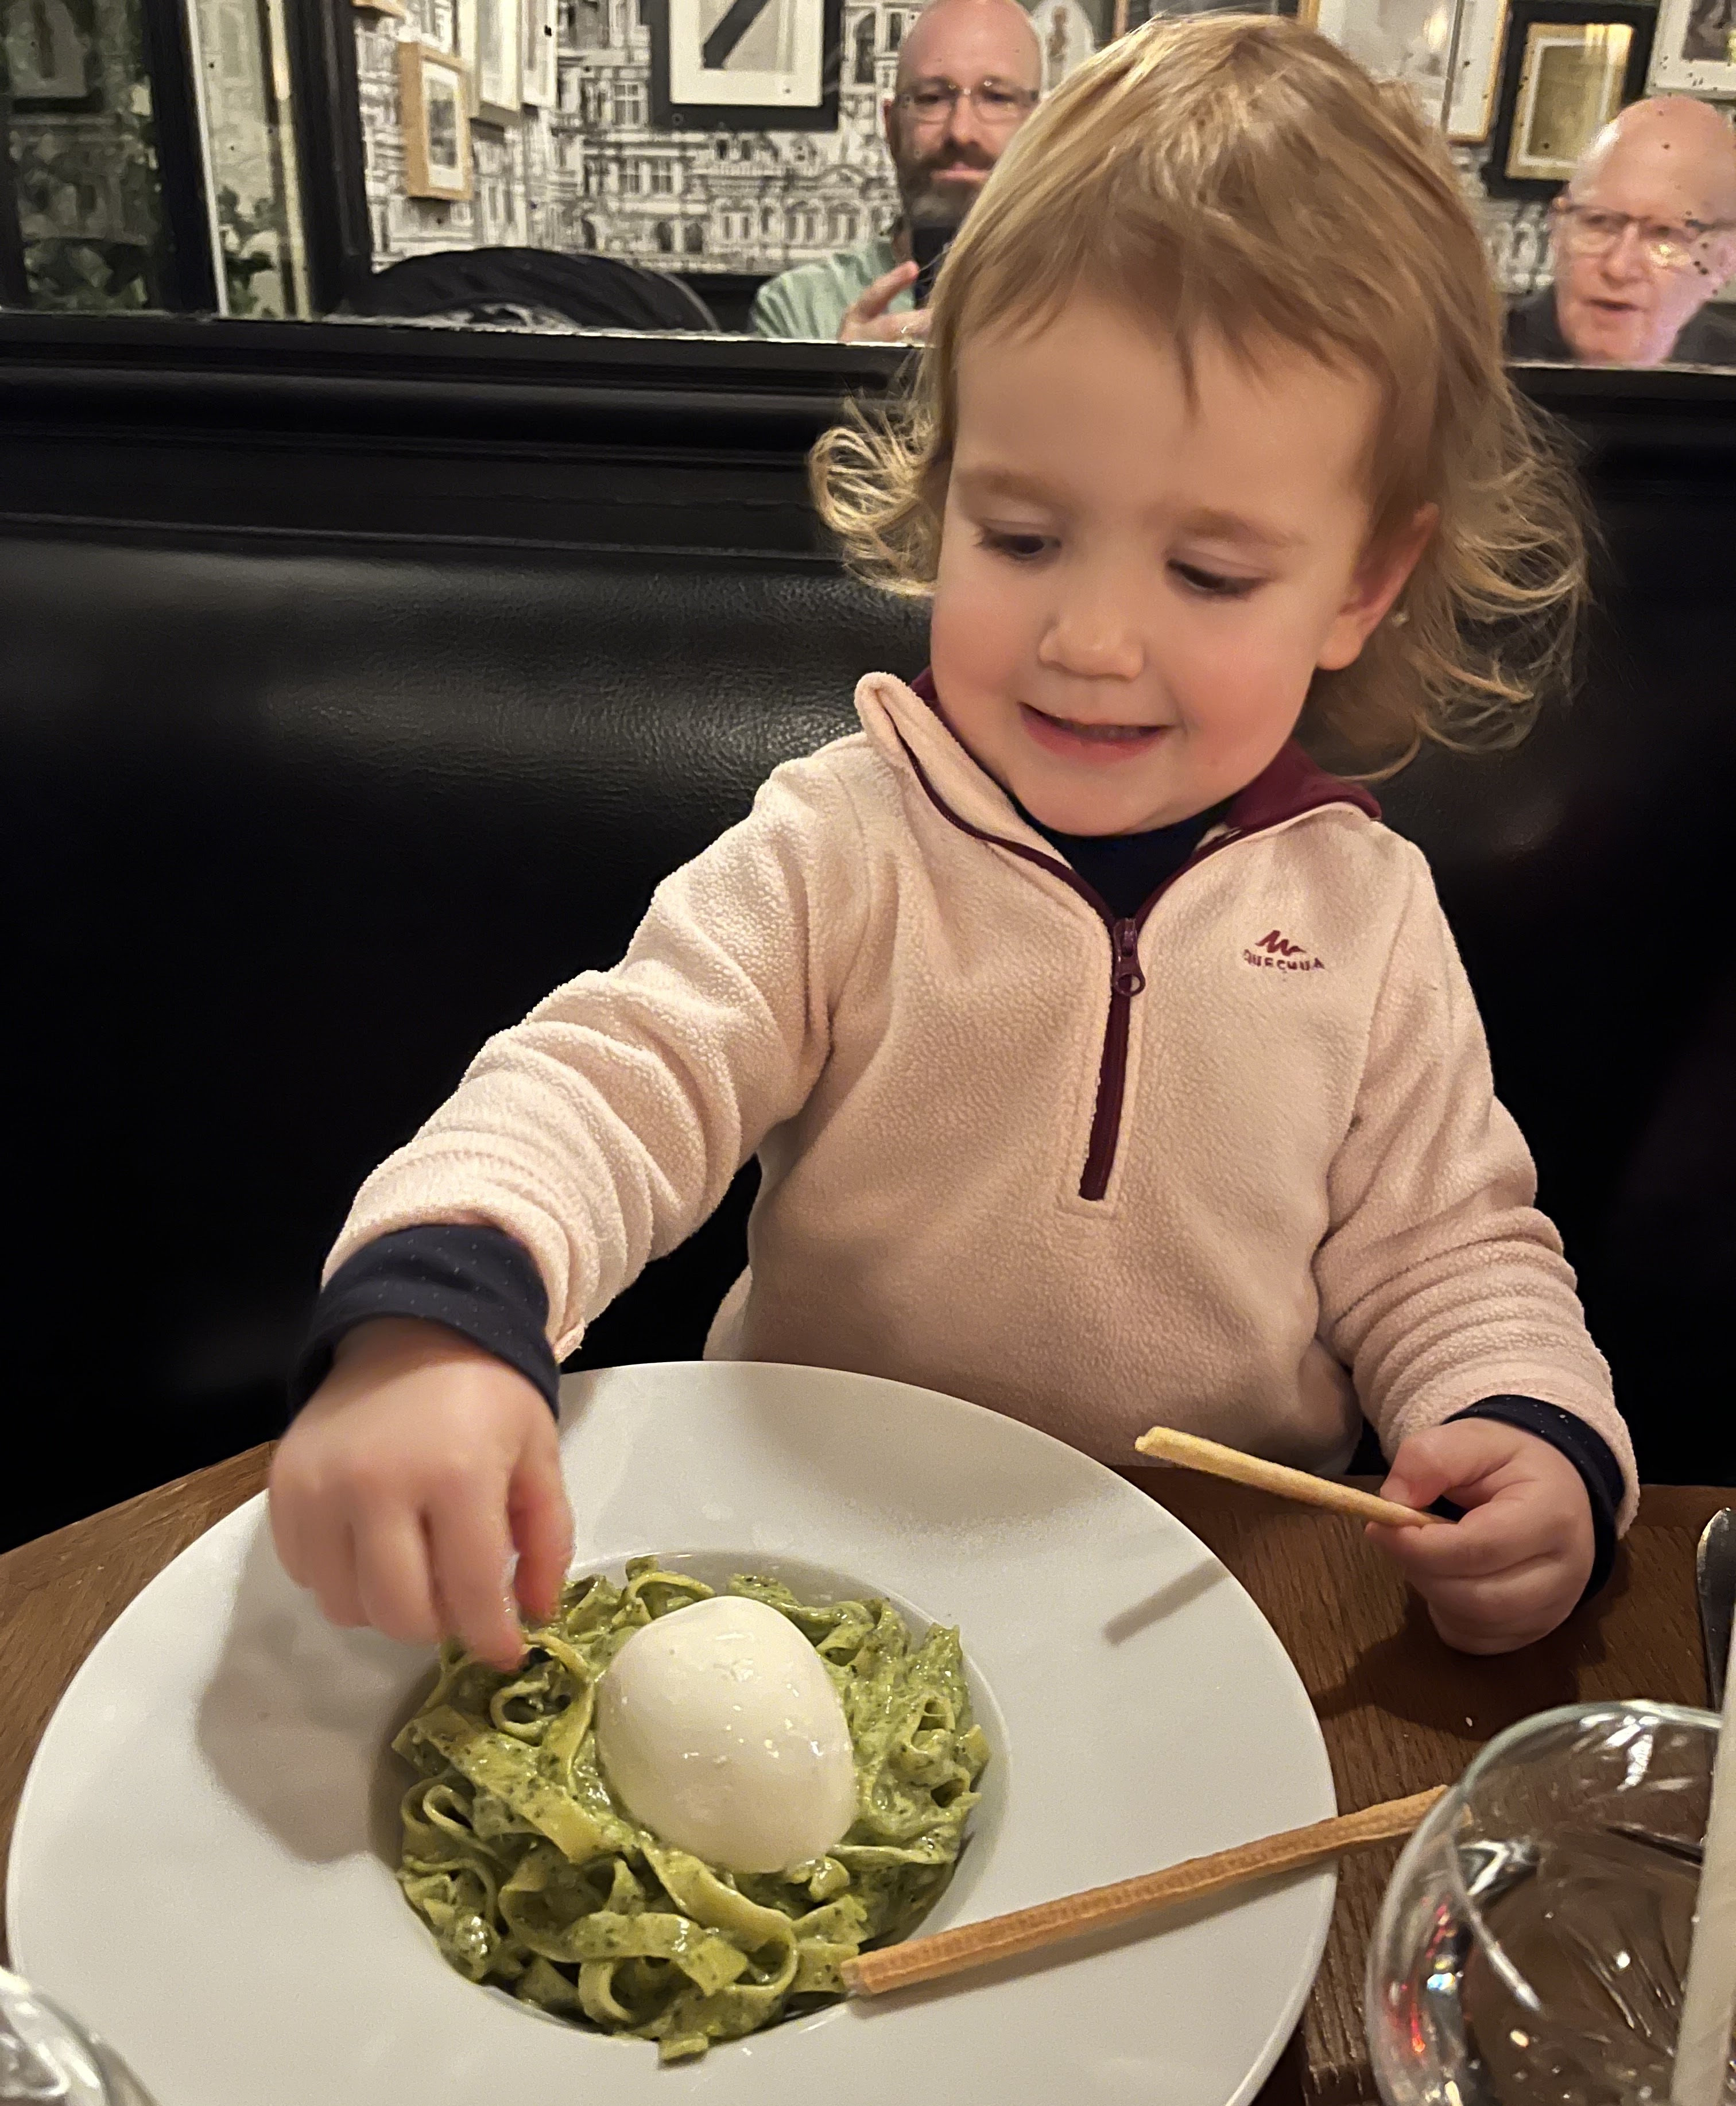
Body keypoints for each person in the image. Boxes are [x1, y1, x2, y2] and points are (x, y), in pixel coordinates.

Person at [272, 15, 1636, 1671]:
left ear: (1362, 585)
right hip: (807, 1558)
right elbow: (614, 1082)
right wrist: (442, 1307)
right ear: (945, 496)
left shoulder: (1368, 910)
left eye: (1208, 574)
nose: (1092, 641)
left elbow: (1447, 1244)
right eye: (1024, 534)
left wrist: (1526, 1430)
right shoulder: (843, 842)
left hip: (1205, 1603)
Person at [750, 0, 1040, 344]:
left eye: (997, 98)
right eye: (931, 98)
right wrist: (845, 370)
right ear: (891, 126)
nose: (961, 132)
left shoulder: (1087, 302)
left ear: (1044, 126)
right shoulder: (799, 311)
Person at [1506, 96, 1736, 367]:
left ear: (1724, 261)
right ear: (1557, 229)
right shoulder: (1473, 358)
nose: (1618, 268)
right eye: (1598, 222)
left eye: (1664, 234)